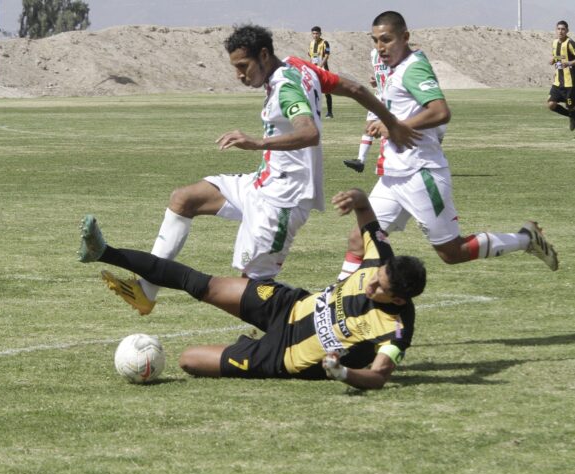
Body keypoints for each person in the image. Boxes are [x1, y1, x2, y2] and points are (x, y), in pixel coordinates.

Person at [102, 24, 420, 316]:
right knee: (185, 199)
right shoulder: (299, 65)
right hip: (262, 182)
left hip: (284, 199)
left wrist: (256, 142)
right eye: (235, 68)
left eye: (244, 66)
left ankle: (316, 326)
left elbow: (309, 132)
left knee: (250, 290)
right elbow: (355, 89)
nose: (240, 75)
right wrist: (392, 122)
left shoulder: (286, 88)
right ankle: (146, 290)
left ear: (264, 55)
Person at [78, 188, 427, 390]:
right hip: (289, 306)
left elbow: (380, 375)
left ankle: (248, 346)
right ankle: (104, 252)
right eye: (376, 277)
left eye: (380, 289)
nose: (371, 286)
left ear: (398, 299)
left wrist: (343, 373)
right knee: (198, 283)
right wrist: (358, 197)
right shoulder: (379, 258)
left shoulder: (396, 330)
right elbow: (366, 211)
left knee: (188, 360)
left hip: (282, 356)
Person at [336, 11, 559, 281]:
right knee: (359, 241)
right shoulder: (397, 67)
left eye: (386, 39)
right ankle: (341, 305)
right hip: (394, 176)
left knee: (452, 252)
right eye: (375, 41)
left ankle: (525, 239)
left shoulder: (413, 67)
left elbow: (441, 111)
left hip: (421, 173)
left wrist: (396, 126)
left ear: (405, 37)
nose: (380, 47)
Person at [343, 48, 392, 173]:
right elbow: (382, 71)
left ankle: (388, 162)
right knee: (369, 127)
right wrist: (376, 81)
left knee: (388, 129)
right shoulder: (373, 53)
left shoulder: (395, 50)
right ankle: (360, 161)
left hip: (392, 95)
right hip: (379, 94)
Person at [547, 20, 575, 131]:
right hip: (558, 83)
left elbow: (568, 59)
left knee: (570, 106)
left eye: (563, 29)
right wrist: (553, 60)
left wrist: (569, 63)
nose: (560, 31)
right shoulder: (554, 43)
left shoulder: (570, 43)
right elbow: (559, 57)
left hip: (570, 83)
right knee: (551, 104)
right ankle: (572, 116)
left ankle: (572, 113)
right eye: (558, 29)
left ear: (567, 30)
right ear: (556, 30)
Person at [309, 26, 334, 118]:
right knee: (313, 89)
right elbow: (311, 57)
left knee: (327, 90)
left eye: (317, 33)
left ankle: (330, 112)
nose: (315, 35)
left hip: (323, 69)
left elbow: (326, 56)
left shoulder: (325, 43)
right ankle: (314, 111)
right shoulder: (311, 43)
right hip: (314, 69)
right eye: (313, 33)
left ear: (320, 34)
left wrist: (320, 67)